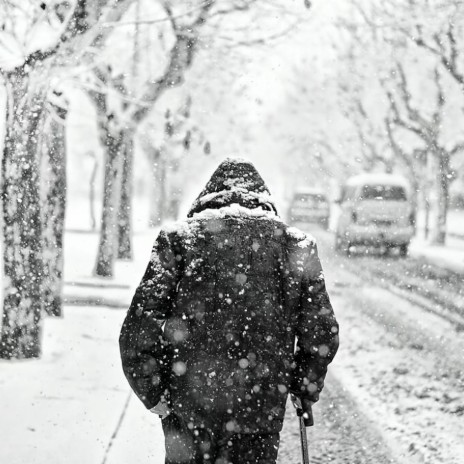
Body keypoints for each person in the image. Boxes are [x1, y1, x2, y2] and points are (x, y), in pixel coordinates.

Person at [119, 158, 339, 464]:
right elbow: (321, 332)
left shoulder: (180, 241)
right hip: (260, 410)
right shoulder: (295, 246)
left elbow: (139, 327)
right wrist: (303, 386)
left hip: (189, 410)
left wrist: (153, 392)